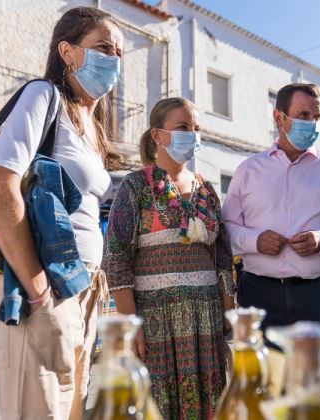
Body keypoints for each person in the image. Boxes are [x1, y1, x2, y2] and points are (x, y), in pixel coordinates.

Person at [0, 7, 123, 419]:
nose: (114, 58)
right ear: (67, 52)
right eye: (102, 47)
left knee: (70, 410)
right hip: (42, 287)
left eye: (118, 51)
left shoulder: (91, 127)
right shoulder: (44, 96)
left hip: (82, 287)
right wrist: (40, 290)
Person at [222, 83, 320, 366]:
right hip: (258, 298)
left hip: (319, 296)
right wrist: (255, 241)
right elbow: (225, 230)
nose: (312, 124)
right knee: (263, 390)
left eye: (316, 117)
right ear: (278, 117)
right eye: (303, 115)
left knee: (319, 391)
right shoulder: (248, 171)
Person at [102, 97, 234, 419]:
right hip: (156, 321)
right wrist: (131, 326)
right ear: (157, 136)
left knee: (210, 405)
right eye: (183, 127)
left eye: (196, 128)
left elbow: (222, 258)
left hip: (207, 320)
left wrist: (230, 321)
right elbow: (116, 257)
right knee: (159, 406)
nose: (193, 134)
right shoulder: (136, 187)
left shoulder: (207, 190)